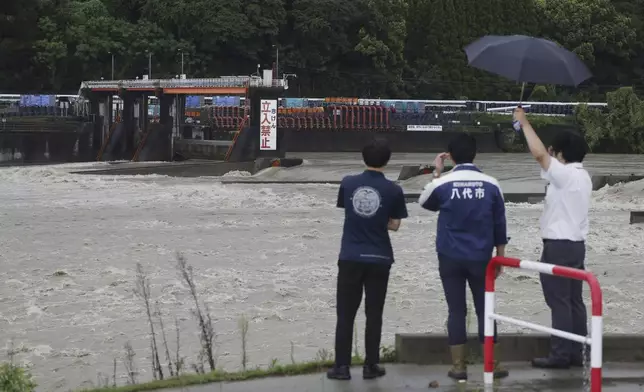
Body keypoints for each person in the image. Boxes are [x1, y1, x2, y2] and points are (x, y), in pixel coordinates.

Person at [418, 133, 509, 381]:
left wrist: (437, 172)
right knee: (485, 309)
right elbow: (500, 222)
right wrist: (500, 255)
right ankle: (494, 364)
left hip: (450, 256)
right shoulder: (491, 184)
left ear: (451, 157)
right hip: (482, 256)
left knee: (456, 311)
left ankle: (459, 368)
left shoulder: (443, 183)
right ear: (475, 154)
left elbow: (425, 202)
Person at [513, 107, 592, 369]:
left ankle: (559, 355)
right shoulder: (582, 176)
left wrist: (523, 123)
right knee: (574, 302)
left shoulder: (566, 174)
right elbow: (542, 159)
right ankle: (578, 353)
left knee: (559, 302)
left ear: (560, 154)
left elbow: (538, 154)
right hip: (576, 245)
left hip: (558, 245)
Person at [327, 138, 408, 381]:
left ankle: (341, 367)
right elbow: (395, 225)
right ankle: (371, 365)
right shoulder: (394, 190)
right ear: (387, 160)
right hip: (380, 257)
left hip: (350, 255)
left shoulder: (349, 183)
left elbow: (349, 210)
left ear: (363, 158)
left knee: (345, 314)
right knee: (374, 314)